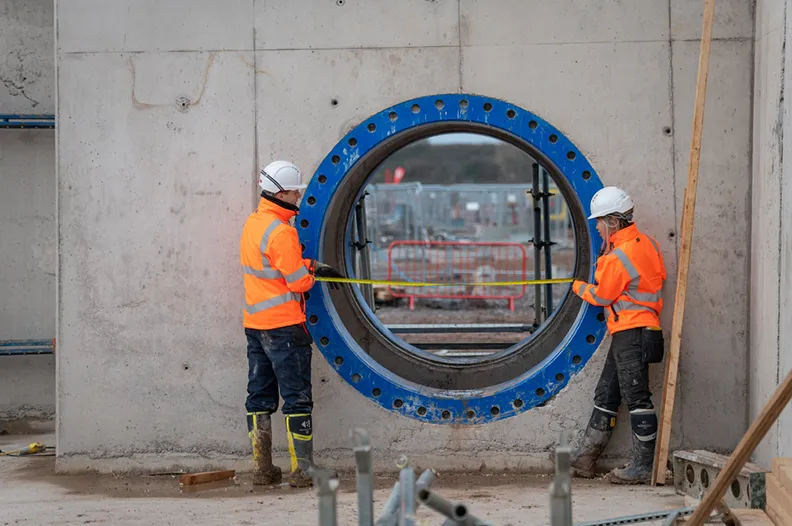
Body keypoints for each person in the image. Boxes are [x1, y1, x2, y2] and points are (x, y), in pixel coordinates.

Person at [240, 160, 345, 487]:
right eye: (294, 192)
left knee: (259, 397)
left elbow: (274, 266)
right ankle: (303, 471)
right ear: (281, 193)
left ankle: (262, 469)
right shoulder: (282, 231)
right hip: (285, 328)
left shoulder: (254, 223)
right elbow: (298, 282)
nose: (298, 197)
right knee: (297, 398)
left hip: (256, 325)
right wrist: (312, 275)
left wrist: (312, 264)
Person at [569, 186, 666, 485]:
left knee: (637, 397)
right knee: (607, 393)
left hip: (631, 331)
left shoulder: (617, 257)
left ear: (613, 221)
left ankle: (643, 467)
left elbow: (602, 295)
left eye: (600, 222)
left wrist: (578, 287)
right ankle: (585, 459)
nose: (597, 227)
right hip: (640, 330)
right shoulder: (647, 244)